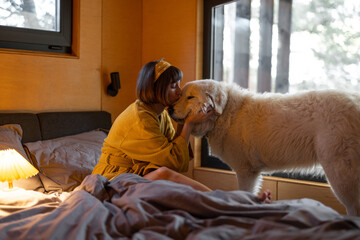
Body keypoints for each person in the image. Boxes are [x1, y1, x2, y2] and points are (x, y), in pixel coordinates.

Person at [92, 59, 271, 202]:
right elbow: (172, 162)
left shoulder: (159, 113)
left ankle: (233, 202)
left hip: (138, 173)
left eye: (179, 85)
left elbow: (175, 149)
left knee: (173, 184)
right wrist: (189, 125)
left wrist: (183, 120)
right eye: (173, 87)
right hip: (113, 179)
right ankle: (231, 202)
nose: (179, 92)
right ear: (156, 89)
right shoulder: (140, 119)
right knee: (164, 174)